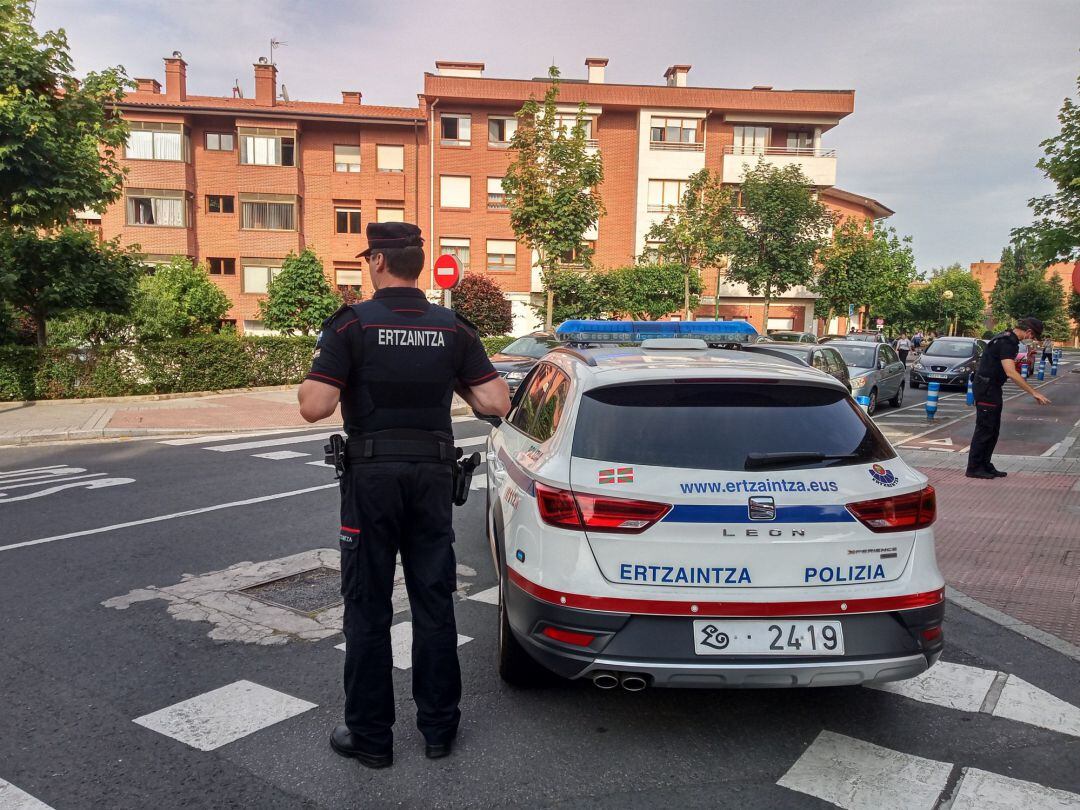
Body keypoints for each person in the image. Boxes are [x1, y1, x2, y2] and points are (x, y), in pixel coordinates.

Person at [297, 222, 511, 768]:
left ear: (376, 262)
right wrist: (454, 381)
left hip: (372, 481)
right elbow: (495, 402)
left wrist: (326, 377)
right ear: (417, 265)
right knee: (434, 603)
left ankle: (371, 738)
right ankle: (439, 730)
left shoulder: (351, 327)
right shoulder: (451, 328)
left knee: (368, 607)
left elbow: (315, 406)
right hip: (433, 479)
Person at [966, 316, 1051, 480]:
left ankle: (985, 464)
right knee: (985, 429)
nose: (1032, 340)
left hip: (992, 387)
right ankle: (974, 467)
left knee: (993, 429)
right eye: (1033, 336)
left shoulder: (1007, 338)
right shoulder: (1007, 342)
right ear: (1028, 332)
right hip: (986, 388)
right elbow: (1010, 371)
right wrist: (1033, 392)